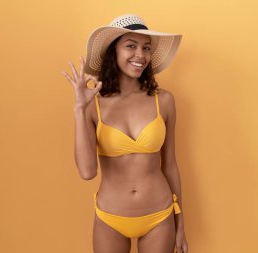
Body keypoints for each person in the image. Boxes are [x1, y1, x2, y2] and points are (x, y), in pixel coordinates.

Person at [62, 14, 188, 253]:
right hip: (110, 218)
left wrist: (180, 223)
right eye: (131, 45)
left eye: (146, 48)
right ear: (113, 51)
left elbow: (170, 165)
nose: (140, 55)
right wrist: (79, 109)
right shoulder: (92, 105)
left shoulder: (165, 101)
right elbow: (87, 172)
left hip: (159, 216)